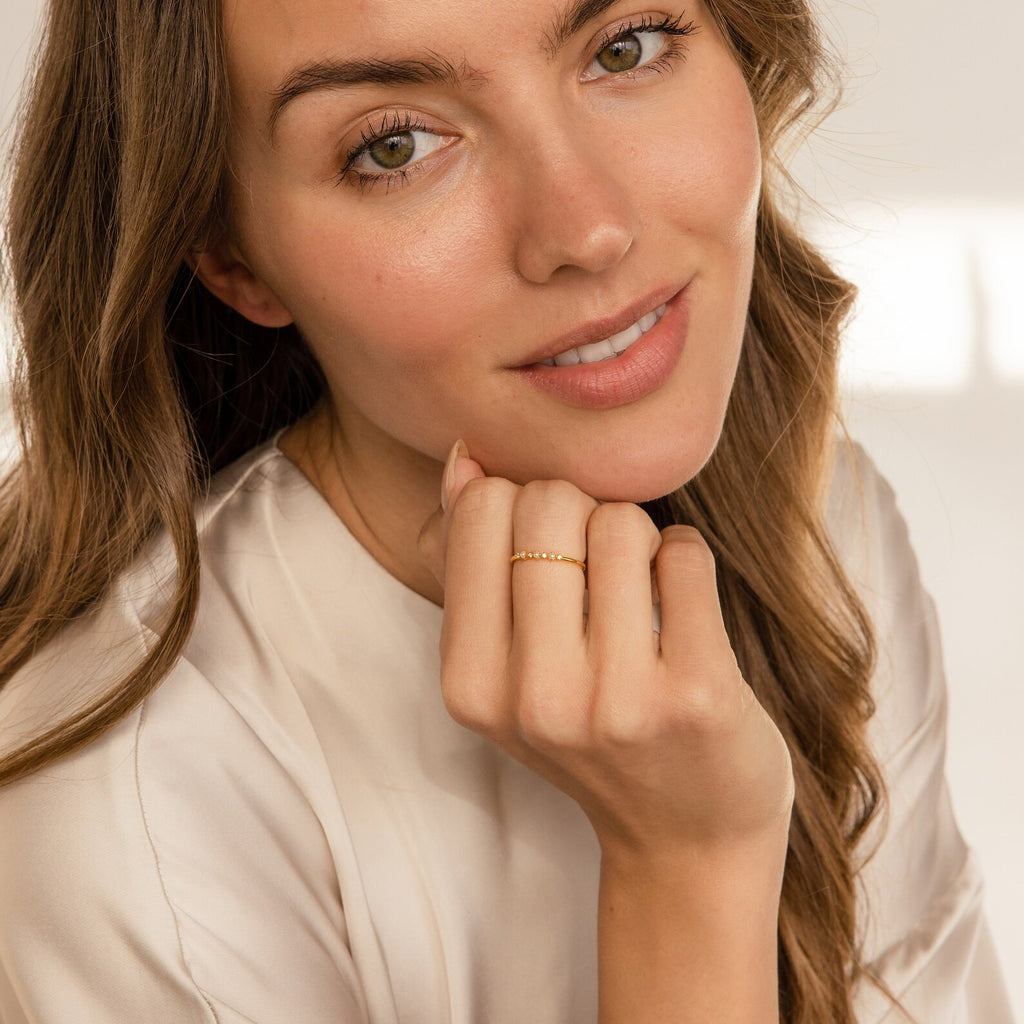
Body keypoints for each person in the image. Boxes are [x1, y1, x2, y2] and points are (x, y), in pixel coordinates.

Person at [0, 0, 1013, 1020]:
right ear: (232, 255)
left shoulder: (822, 522)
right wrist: (689, 865)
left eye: (625, 48)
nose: (586, 228)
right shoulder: (133, 805)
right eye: (393, 145)